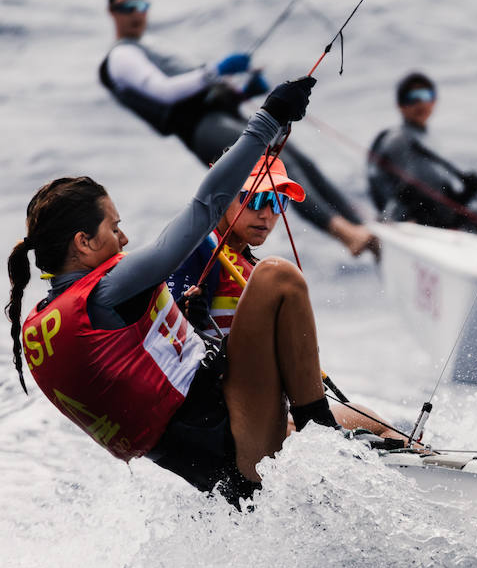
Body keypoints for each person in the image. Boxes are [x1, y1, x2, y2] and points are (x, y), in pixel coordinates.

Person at [7, 77, 377, 504]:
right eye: (114, 227)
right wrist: (268, 119)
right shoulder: (105, 295)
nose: (124, 239)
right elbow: (205, 206)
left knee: (373, 423)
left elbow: (147, 377)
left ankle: (358, 439)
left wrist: (190, 321)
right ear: (83, 242)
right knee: (278, 277)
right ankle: (322, 443)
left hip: (221, 468)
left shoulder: (51, 317)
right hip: (241, 451)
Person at [100, 0, 378, 257]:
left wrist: (244, 91)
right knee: (279, 167)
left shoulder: (148, 46)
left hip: (219, 116)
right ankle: (348, 235)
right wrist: (216, 70)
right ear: (113, 11)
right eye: (128, 6)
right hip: (202, 130)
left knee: (301, 160)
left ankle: (361, 225)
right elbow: (164, 91)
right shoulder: (121, 56)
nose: (137, 13)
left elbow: (200, 92)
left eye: (142, 6)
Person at [165, 153, 404, 439]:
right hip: (225, 411)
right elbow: (165, 332)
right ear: (224, 196)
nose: (266, 214)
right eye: (253, 200)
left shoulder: (248, 265)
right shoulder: (204, 244)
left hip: (269, 403)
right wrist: (187, 313)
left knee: (379, 425)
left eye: (278, 202)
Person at [367, 72, 477, 235]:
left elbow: (435, 196)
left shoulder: (429, 141)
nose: (420, 103)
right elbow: (393, 193)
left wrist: (465, 194)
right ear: (400, 105)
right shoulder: (397, 139)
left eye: (425, 95)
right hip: (407, 230)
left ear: (434, 101)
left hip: (435, 228)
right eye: (412, 98)